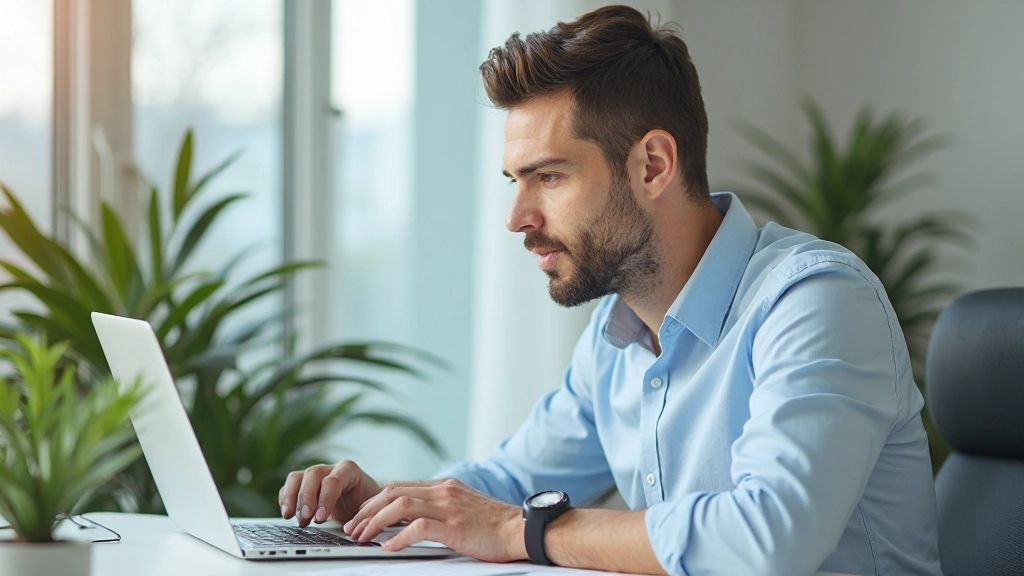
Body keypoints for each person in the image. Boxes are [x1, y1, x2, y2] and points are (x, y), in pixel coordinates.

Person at [277, 6, 942, 575]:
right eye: (515, 181)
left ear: (652, 165)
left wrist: (519, 531)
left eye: (550, 178)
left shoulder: (816, 301)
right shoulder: (618, 336)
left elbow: (767, 538)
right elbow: (507, 485)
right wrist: (387, 504)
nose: (518, 218)